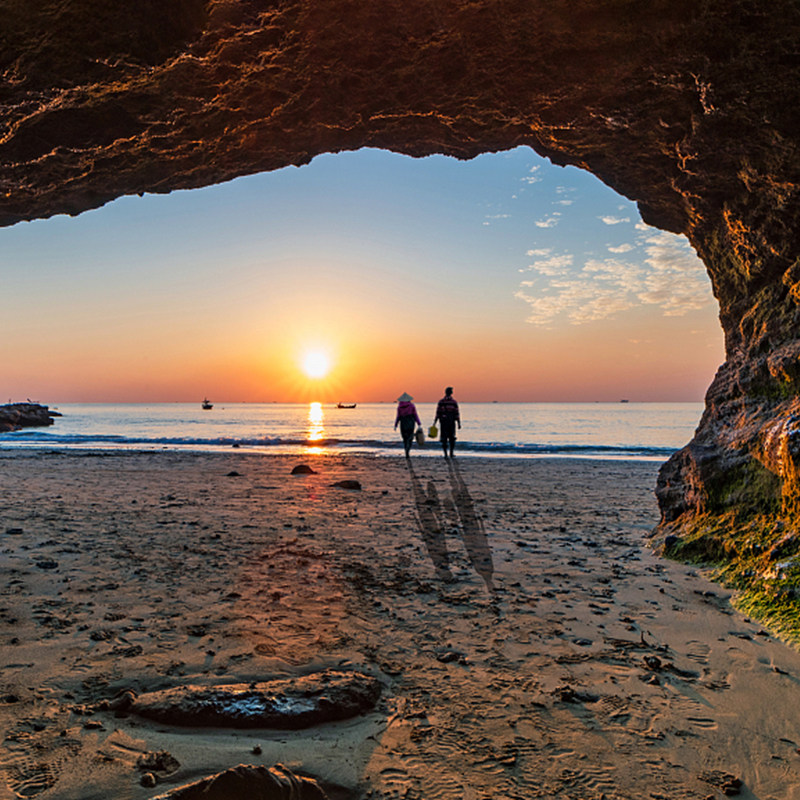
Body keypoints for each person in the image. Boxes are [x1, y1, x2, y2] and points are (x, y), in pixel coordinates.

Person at [434, 386, 460, 457]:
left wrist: (435, 422)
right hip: (451, 422)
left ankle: (445, 453)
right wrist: (458, 423)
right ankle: (451, 453)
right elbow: (456, 413)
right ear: (451, 393)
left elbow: (438, 413)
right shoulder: (453, 402)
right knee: (452, 437)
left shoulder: (441, 402)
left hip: (443, 422)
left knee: (444, 438)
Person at [394, 392, 422, 457]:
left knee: (404, 438)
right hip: (410, 423)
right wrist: (419, 423)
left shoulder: (399, 407)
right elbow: (415, 415)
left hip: (403, 423)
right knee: (410, 437)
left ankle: (406, 450)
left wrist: (396, 425)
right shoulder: (412, 406)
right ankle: (408, 450)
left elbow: (398, 417)